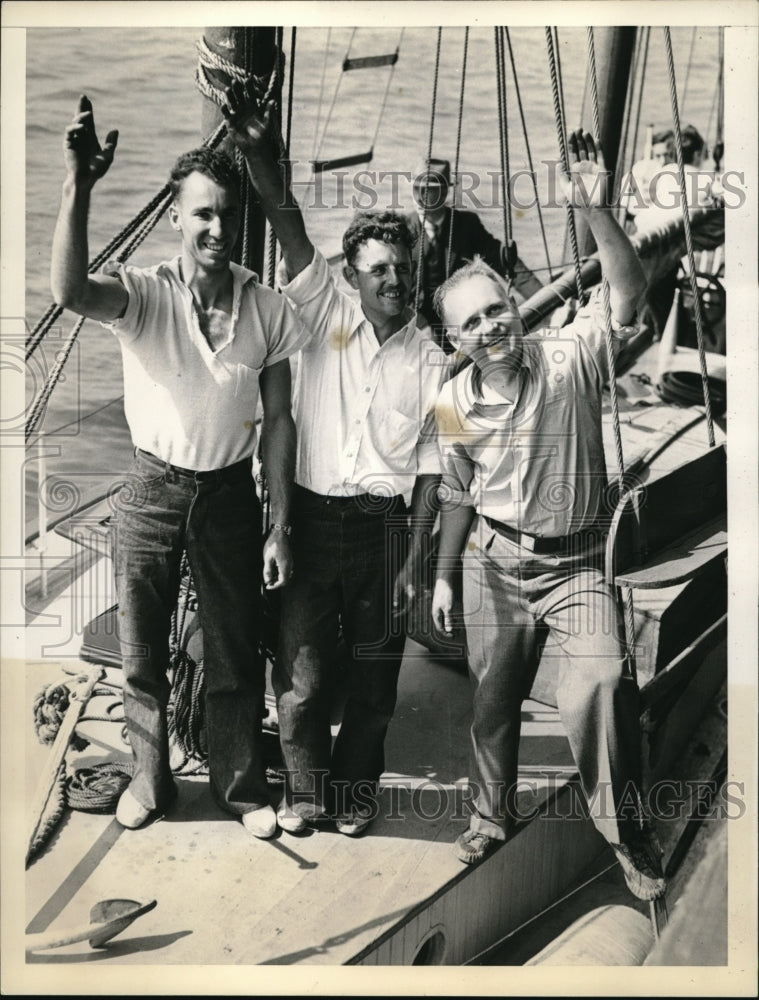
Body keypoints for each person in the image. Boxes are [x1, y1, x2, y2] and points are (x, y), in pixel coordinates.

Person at [51, 96, 309, 840]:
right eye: (201, 215)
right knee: (142, 654)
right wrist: (78, 183)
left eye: (228, 215)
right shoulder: (144, 295)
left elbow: (281, 422)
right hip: (150, 490)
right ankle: (149, 778)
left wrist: (279, 524)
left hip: (229, 496)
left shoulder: (268, 310)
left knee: (232, 650)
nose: (217, 230)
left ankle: (238, 788)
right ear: (175, 216)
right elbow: (68, 294)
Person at [430, 130, 666, 901]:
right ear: (454, 339)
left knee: (595, 685)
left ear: (513, 308)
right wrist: (442, 576)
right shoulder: (452, 403)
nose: (492, 326)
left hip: (575, 562)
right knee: (492, 701)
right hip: (494, 564)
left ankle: (622, 830)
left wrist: (593, 208)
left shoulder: (567, 358)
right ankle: (490, 817)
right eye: (473, 322)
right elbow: (457, 493)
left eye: (499, 309)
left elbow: (627, 298)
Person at [221, 81, 449, 836]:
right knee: (303, 676)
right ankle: (307, 790)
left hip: (384, 530)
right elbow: (286, 223)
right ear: (350, 276)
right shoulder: (323, 313)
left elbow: (430, 470)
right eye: (377, 269)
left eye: (401, 266)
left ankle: (355, 791)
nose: (393, 279)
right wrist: (259, 153)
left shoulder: (431, 361)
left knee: (377, 683)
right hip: (311, 523)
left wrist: (418, 560)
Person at [407, 157, 543, 352]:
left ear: (445, 191)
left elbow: (504, 263)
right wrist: (420, 325)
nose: (420, 197)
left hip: (462, 319)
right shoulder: (401, 229)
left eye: (429, 190)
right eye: (416, 189)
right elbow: (395, 289)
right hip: (419, 324)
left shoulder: (466, 224)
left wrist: (548, 298)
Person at [619, 127, 675, 225]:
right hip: (635, 222)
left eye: (668, 155)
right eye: (658, 156)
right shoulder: (639, 171)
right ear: (652, 154)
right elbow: (623, 203)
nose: (663, 161)